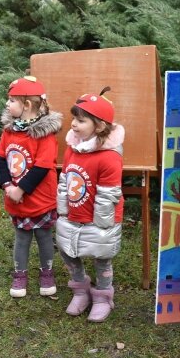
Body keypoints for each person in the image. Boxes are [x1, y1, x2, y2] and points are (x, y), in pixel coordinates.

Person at [56, 88, 124, 323]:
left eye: (80, 120)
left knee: (101, 257)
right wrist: (63, 210)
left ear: (100, 126)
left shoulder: (109, 157)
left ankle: (103, 296)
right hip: (73, 215)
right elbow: (65, 180)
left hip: (99, 218)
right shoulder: (72, 149)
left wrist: (101, 226)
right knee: (68, 252)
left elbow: (108, 194)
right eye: (74, 118)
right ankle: (80, 290)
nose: (73, 124)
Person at [0, 76, 62, 298]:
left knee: (43, 236)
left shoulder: (45, 135)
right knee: (21, 237)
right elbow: (1, 158)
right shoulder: (9, 131)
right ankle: (20, 275)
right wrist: (7, 186)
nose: (7, 104)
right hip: (16, 198)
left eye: (12, 100)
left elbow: (42, 168)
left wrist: (21, 189)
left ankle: (47, 273)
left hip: (39, 199)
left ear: (27, 105)